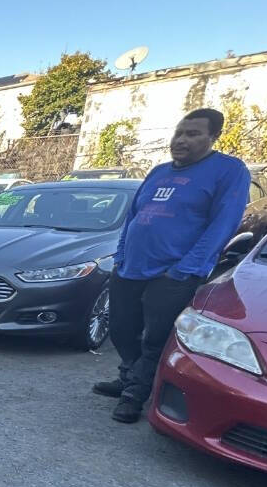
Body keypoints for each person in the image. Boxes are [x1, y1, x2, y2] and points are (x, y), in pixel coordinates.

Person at [93, 108, 249, 423]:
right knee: (122, 330)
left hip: (173, 274)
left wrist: (184, 269)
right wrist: (121, 255)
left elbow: (223, 225)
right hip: (130, 267)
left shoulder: (228, 171)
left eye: (193, 134)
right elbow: (134, 217)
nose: (181, 140)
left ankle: (134, 395)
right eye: (179, 133)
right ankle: (129, 375)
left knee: (155, 338)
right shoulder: (159, 172)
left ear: (213, 137)